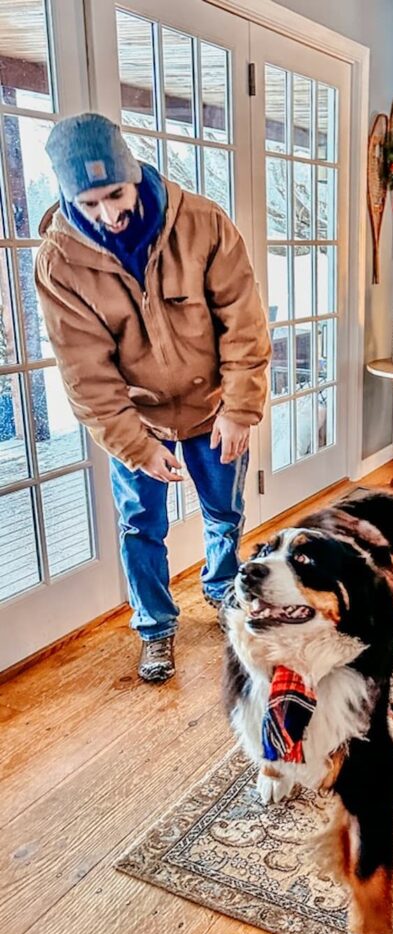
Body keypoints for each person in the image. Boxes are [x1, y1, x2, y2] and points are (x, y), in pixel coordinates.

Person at [36, 113, 270, 683]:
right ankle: (156, 627)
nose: (109, 214)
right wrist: (137, 448)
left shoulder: (205, 223)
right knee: (141, 526)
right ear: (67, 195)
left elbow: (244, 325)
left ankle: (221, 589)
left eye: (116, 194)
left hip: (213, 405)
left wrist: (240, 408)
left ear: (134, 173)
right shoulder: (59, 262)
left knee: (224, 513)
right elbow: (86, 375)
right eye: (89, 203)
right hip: (136, 419)